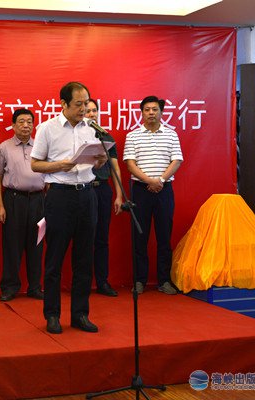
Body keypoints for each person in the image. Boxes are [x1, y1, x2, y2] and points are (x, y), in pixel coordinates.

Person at [31, 82, 107, 334]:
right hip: (60, 196)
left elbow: (95, 164)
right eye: (78, 104)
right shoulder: (47, 128)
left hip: (87, 195)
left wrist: (100, 160)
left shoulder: (91, 128)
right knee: (54, 259)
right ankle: (52, 314)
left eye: (86, 104)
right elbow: (35, 164)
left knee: (84, 259)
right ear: (63, 104)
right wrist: (59, 165)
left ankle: (80, 314)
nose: (83, 109)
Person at [123, 95, 183, 295]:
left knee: (164, 237)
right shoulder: (133, 136)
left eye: (154, 109)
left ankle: (164, 280)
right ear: (141, 112)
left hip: (164, 191)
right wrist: (149, 181)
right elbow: (130, 164)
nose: (151, 113)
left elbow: (176, 160)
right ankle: (139, 280)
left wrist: (161, 180)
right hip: (141, 190)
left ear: (161, 112)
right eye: (147, 109)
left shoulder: (171, 134)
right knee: (139, 237)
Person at [0, 109, 45, 302]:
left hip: (39, 200)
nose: (26, 125)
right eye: (21, 122)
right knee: (12, 245)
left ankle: (35, 287)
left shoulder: (41, 147)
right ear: (13, 125)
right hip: (14, 200)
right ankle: (10, 287)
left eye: (29, 122)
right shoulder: (4, 147)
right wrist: (0, 206)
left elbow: (48, 176)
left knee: (37, 245)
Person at [84, 99, 123, 297]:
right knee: (83, 238)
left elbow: (115, 168)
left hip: (103, 190)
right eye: (87, 111)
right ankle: (82, 282)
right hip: (83, 190)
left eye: (94, 111)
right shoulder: (76, 136)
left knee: (101, 238)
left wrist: (119, 195)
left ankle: (102, 282)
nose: (91, 114)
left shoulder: (106, 136)